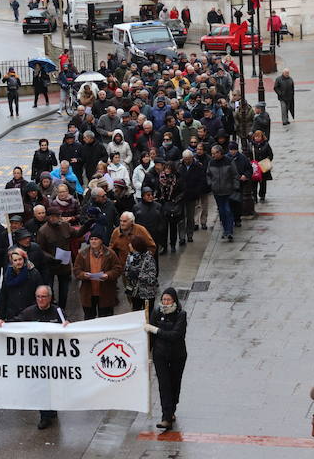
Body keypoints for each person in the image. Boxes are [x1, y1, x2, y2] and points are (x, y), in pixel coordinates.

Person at [0, 284, 69, 430]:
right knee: (41, 387)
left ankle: (52, 409)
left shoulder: (58, 312)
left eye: (44, 297)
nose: (41, 299)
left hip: (54, 357)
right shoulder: (29, 312)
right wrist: (3, 323)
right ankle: (45, 416)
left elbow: (69, 328)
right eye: (38, 297)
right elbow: (16, 322)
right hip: (36, 358)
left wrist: (68, 324)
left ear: (50, 298)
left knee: (53, 385)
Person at [144, 287, 188, 432]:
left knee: (174, 384)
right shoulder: (156, 312)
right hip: (160, 355)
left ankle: (171, 410)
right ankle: (166, 417)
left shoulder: (181, 315)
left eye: (168, 299)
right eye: (163, 299)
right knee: (164, 385)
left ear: (174, 300)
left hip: (177, 355)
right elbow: (149, 336)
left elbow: (175, 335)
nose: (166, 302)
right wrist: (147, 353)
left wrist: (156, 330)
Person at [73, 225, 122, 319]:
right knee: (89, 320)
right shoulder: (82, 254)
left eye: (96, 239)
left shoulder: (110, 253)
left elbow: (118, 269)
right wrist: (83, 275)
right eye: (91, 239)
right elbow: (76, 270)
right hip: (88, 293)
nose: (93, 241)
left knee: (105, 320)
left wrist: (108, 275)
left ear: (101, 241)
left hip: (106, 293)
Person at [0, 247, 44, 321]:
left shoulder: (34, 273)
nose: (18, 262)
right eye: (15, 260)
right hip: (12, 314)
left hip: (30, 313)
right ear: (11, 262)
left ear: (24, 259)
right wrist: (1, 317)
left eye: (20, 259)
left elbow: (40, 293)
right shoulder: (7, 275)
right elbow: (4, 296)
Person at [207, 145, 237, 242]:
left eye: (214, 153)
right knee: (222, 211)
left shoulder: (229, 161)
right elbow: (208, 174)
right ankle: (225, 230)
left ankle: (229, 231)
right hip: (217, 192)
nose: (213, 155)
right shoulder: (211, 163)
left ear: (220, 153)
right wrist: (211, 184)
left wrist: (235, 187)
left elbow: (235, 174)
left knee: (228, 210)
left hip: (228, 191)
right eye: (212, 153)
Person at [177, 150, 205, 243]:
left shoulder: (197, 166)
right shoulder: (179, 166)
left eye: (188, 159)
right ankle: (181, 237)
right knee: (181, 218)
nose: (187, 161)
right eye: (185, 159)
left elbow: (201, 181)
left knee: (190, 216)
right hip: (181, 196)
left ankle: (189, 234)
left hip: (192, 195)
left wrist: (197, 192)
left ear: (192, 158)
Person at [123, 236, 158, 311]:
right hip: (134, 293)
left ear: (136, 246)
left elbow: (152, 278)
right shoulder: (130, 256)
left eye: (131, 244)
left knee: (148, 315)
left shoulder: (149, 258)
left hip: (147, 294)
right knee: (135, 314)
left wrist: (138, 275)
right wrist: (128, 273)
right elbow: (126, 270)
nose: (129, 245)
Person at [156, 162, 183, 254]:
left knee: (173, 226)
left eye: (169, 168)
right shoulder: (161, 178)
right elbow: (158, 191)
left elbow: (182, 191)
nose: (167, 170)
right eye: (165, 168)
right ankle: (164, 246)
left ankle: (172, 245)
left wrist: (176, 199)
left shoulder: (177, 178)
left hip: (173, 205)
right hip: (163, 205)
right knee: (163, 228)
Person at [249, 130, 274, 201]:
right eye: (255, 136)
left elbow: (271, 155)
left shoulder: (266, 144)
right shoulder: (251, 145)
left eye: (258, 136)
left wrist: (267, 161)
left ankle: (262, 195)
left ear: (262, 137)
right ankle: (254, 195)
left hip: (263, 166)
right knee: (254, 181)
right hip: (255, 167)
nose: (257, 138)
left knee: (263, 182)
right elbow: (248, 154)